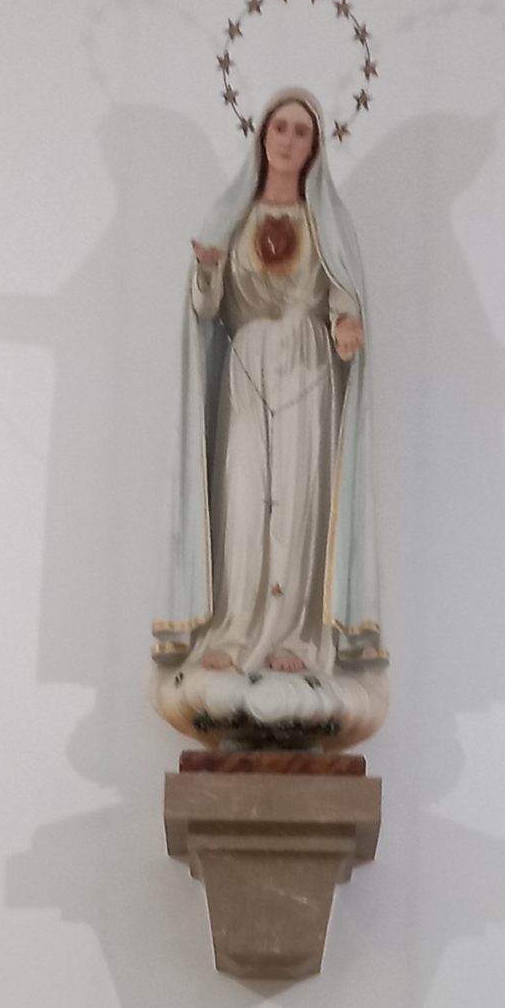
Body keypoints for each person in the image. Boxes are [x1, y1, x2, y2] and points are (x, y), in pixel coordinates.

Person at [153, 91, 387, 742]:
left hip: (308, 370)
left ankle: (295, 640)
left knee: (299, 502)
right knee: (244, 502)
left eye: (300, 132)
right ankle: (234, 632)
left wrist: (346, 324)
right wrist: (205, 272)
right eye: (279, 128)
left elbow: (344, 292)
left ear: (315, 147)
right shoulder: (231, 217)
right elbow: (208, 310)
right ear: (261, 137)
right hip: (247, 367)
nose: (287, 140)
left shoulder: (327, 222)